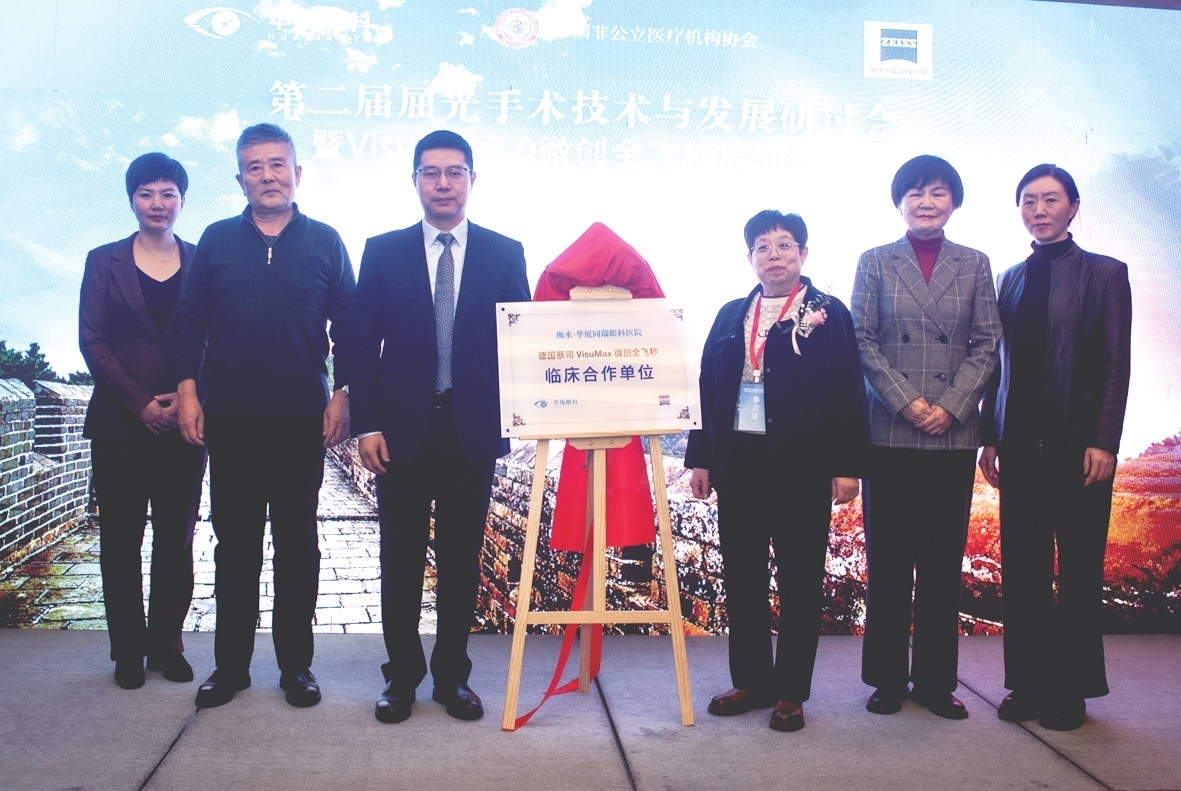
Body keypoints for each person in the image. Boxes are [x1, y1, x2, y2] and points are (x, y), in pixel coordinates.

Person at [166, 123, 355, 709]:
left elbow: (351, 325)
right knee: (236, 546)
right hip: (232, 418)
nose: (268, 176)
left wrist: (343, 392)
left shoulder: (325, 241)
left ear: (297, 173)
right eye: (255, 167)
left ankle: (297, 668)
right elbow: (189, 321)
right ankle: (231, 668)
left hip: (301, 417)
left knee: (297, 545)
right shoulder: (217, 240)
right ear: (240, 178)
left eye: (278, 165)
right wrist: (189, 392)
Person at [348, 129, 530, 724]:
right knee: (399, 559)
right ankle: (401, 677)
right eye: (431, 172)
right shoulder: (383, 251)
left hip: (470, 430)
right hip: (399, 432)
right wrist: (366, 424)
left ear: (472, 179)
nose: (443, 183)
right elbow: (358, 344)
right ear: (415, 181)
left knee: (461, 561)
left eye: (455, 172)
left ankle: (453, 677)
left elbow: (521, 342)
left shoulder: (504, 253)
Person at [685, 210, 869, 732]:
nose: (774, 255)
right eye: (763, 247)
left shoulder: (827, 313)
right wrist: (701, 457)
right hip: (738, 463)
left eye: (785, 245)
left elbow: (847, 389)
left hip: (802, 463)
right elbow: (707, 387)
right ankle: (750, 681)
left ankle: (790, 693)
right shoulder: (730, 314)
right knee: (742, 576)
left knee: (800, 579)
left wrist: (847, 465)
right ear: (750, 257)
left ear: (803, 253)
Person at [979, 164, 1132, 731]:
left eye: (1050, 200)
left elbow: (1115, 365)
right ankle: (1028, 683)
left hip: (1078, 448)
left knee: (1078, 572)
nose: (1038, 210)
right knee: (1023, 569)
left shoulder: (1105, 274)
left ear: (1073, 207)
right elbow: (997, 366)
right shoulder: (1010, 280)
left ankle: (1071, 689)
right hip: (1018, 445)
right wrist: (989, 436)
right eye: (1028, 201)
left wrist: (1103, 440)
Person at [851, 155, 1001, 720]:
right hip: (891, 429)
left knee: (942, 564)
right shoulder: (875, 261)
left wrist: (952, 406)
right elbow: (862, 340)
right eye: (915, 193)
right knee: (888, 562)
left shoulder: (976, 263)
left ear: (954, 202)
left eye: (938, 192)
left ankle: (936, 683)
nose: (927, 202)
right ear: (899, 203)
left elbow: (988, 343)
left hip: (951, 435)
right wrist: (907, 401)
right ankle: (887, 679)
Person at [79, 153, 208, 690]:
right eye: (146, 193)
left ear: (182, 200)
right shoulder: (103, 260)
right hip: (119, 423)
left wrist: (187, 397)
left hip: (186, 422)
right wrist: (139, 403)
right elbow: (93, 341)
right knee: (121, 539)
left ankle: (167, 645)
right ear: (132, 199)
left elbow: (214, 336)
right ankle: (128, 650)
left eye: (168, 193)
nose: (158, 203)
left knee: (176, 539)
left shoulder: (202, 260)